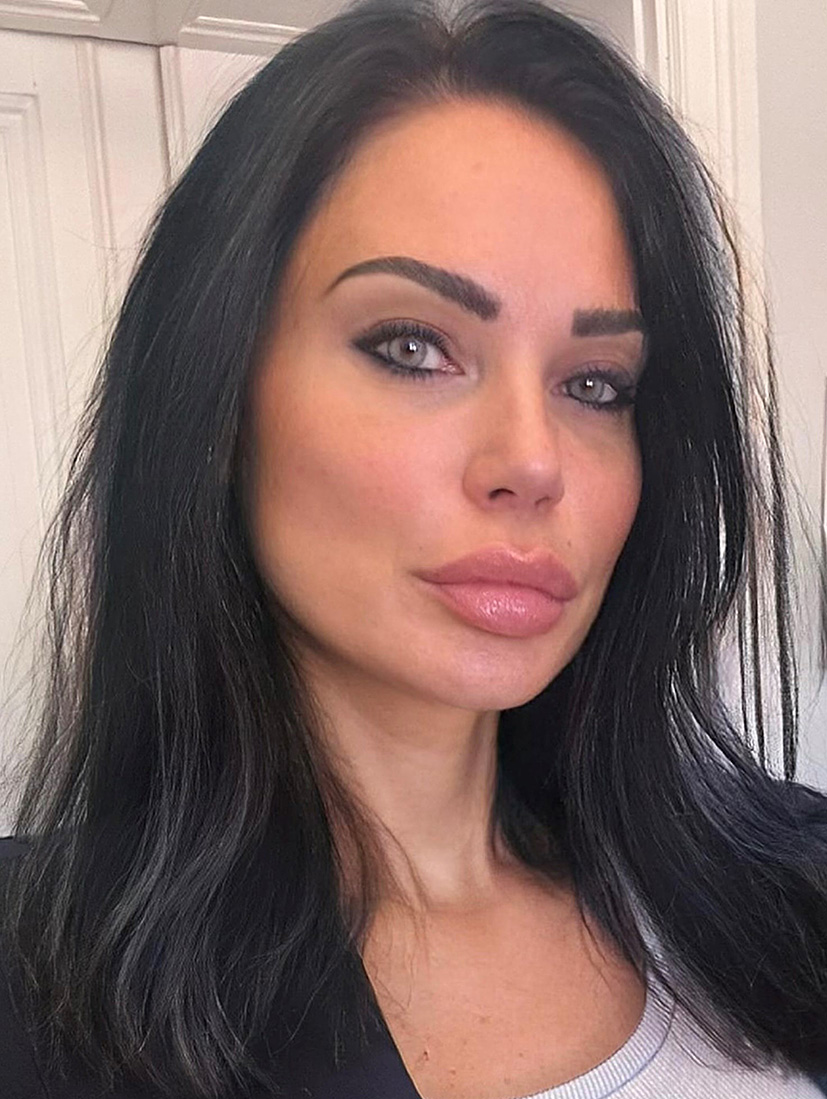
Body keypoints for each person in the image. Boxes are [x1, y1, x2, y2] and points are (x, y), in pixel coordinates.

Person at [1, 0, 826, 1096]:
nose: (531, 461)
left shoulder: (789, 884)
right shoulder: (36, 992)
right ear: (216, 398)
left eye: (594, 384)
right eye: (411, 346)